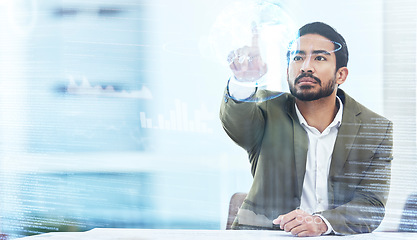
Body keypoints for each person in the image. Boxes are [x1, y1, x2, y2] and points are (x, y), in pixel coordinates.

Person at [220, 22, 393, 236]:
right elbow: (237, 123)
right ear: (287, 71)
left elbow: (371, 206)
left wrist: (321, 223)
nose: (305, 67)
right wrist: (244, 81)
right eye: (298, 57)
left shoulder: (374, 129)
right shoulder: (264, 110)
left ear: (341, 75)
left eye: (319, 58)